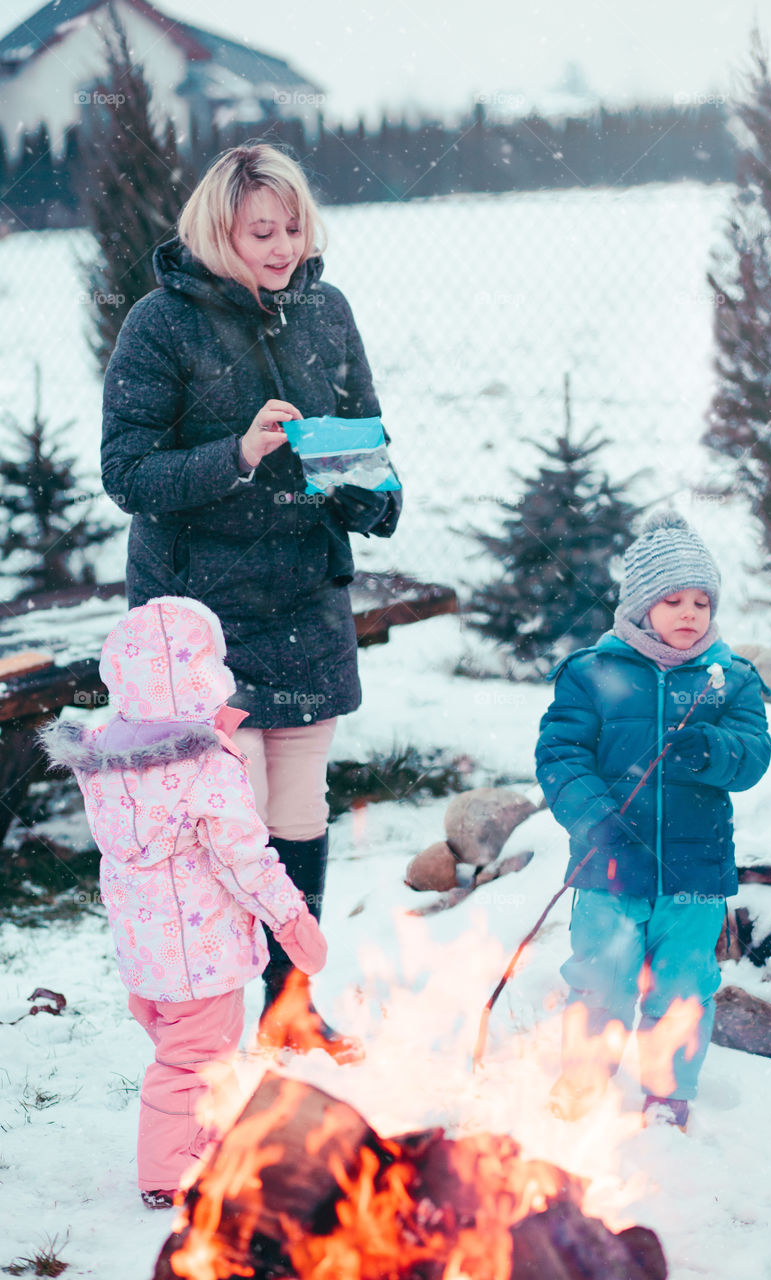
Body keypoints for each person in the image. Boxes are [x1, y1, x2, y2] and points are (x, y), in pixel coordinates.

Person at [100, 144, 401, 1055]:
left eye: (293, 226)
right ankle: (206, 1024)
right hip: (198, 619)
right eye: (259, 230)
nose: (281, 246)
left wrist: (354, 483)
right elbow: (128, 472)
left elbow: (378, 482)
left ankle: (290, 1009)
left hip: (304, 596)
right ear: (217, 232)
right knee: (222, 823)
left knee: (297, 812)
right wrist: (239, 453)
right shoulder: (162, 325)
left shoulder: (326, 311)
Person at [40, 596, 328, 1208]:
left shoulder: (105, 757)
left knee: (184, 1055)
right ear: (205, 675)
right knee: (192, 1063)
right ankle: (172, 1174)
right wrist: (291, 918)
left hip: (146, 953)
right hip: (204, 952)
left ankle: (200, 1137)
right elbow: (244, 859)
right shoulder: (206, 768)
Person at [535, 510, 771, 1129]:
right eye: (673, 599)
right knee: (601, 980)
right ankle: (584, 1081)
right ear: (640, 606)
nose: (690, 612)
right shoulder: (592, 673)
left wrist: (712, 749)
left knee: (683, 987)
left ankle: (668, 1095)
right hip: (608, 865)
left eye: (701, 600)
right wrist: (595, 820)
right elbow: (560, 756)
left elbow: (752, 756)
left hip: (695, 873)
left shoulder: (731, 679)